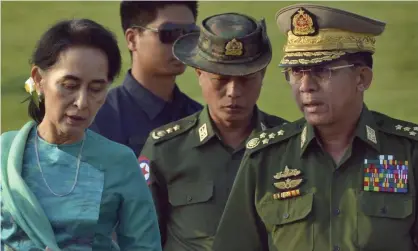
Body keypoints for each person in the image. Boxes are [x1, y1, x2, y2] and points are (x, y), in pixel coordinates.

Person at [213, 3, 418, 251]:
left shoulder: (408, 152)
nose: (306, 86)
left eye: (322, 71)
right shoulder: (265, 158)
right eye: (297, 72)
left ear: (361, 78)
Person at [0, 18, 162, 251]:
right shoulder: (5, 153)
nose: (82, 102)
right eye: (69, 85)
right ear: (38, 79)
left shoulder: (119, 162)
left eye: (96, 89)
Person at [139, 12, 289, 251]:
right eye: (221, 79)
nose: (233, 92)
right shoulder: (165, 149)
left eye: (245, 79)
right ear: (200, 74)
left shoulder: (289, 146)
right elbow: (142, 238)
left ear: (262, 76)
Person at [90, 1, 203, 158]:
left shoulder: (200, 118)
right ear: (132, 39)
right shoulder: (97, 118)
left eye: (190, 34)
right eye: (169, 33)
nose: (182, 44)